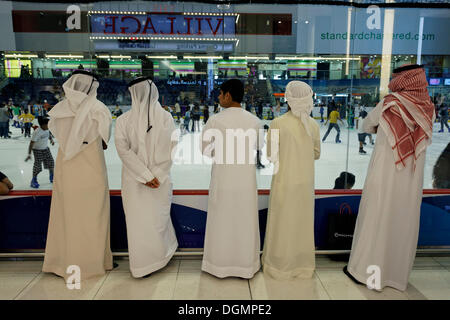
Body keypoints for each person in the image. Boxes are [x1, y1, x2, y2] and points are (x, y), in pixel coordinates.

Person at [344, 64, 436, 291]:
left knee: (377, 216)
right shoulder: (428, 108)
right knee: (401, 221)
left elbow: (366, 125)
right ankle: (394, 276)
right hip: (411, 178)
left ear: (403, 80)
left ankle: (365, 272)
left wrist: (380, 130)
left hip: (386, 171)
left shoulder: (390, 103)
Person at [42, 70, 114, 282]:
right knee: (93, 216)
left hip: (68, 171)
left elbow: (60, 136)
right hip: (91, 170)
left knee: (67, 216)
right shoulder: (98, 109)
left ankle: (64, 263)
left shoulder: (60, 110)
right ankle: (93, 263)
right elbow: (103, 141)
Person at [115, 77, 178, 278]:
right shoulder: (166, 118)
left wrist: (145, 176)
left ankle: (145, 264)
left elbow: (123, 151)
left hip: (136, 182)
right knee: (152, 221)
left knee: (141, 223)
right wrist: (155, 175)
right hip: (158, 181)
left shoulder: (123, 120)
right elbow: (173, 149)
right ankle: (155, 260)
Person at [201, 79, 264, 278]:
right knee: (244, 222)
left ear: (228, 95)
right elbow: (260, 148)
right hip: (245, 183)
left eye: (220, 93)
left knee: (221, 223)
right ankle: (245, 266)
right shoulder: (254, 121)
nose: (219, 97)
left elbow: (204, 149)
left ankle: (218, 265)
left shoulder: (215, 120)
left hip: (223, 180)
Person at [262, 81, 321, 280]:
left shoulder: (278, 123)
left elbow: (271, 155)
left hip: (284, 182)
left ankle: (278, 266)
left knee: (282, 223)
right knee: (301, 224)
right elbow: (316, 153)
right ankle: (302, 265)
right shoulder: (313, 125)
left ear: (288, 99)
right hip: (305, 184)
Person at [25, 116, 55, 188]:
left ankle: (52, 176)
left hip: (45, 149)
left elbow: (48, 135)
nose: (49, 125)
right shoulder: (37, 132)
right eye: (48, 124)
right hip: (37, 150)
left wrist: (51, 140)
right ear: (43, 125)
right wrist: (29, 154)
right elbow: (31, 143)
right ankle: (33, 180)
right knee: (38, 166)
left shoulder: (47, 129)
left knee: (51, 163)